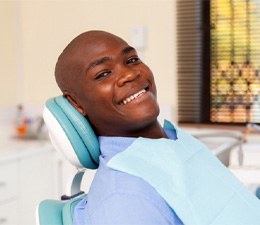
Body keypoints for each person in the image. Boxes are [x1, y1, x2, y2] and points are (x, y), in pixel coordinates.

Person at [55, 30, 183, 225]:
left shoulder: (174, 142)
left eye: (131, 60)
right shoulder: (127, 201)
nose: (130, 74)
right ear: (76, 104)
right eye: (103, 74)